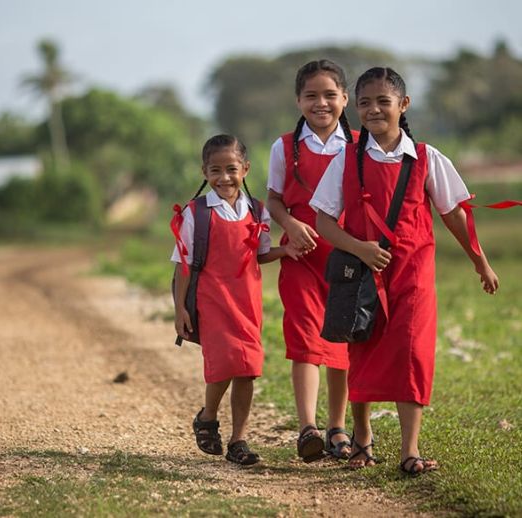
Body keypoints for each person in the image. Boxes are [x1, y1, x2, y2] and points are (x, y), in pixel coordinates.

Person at [310, 67, 499, 475]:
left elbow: (453, 215)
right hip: (362, 277)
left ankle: (409, 451)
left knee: (413, 355)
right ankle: (362, 440)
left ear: (403, 105)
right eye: (364, 102)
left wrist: (478, 260)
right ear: (355, 108)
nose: (374, 109)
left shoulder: (428, 158)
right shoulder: (345, 158)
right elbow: (323, 221)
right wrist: (359, 247)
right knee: (362, 350)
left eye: (383, 101)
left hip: (413, 275)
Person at [171, 134, 289, 465]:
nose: (224, 177)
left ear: (246, 169)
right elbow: (183, 266)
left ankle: (239, 439)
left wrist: (285, 251)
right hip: (212, 301)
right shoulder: (197, 213)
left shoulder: (257, 211)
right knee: (223, 365)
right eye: (215, 170)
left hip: (247, 301)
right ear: (204, 172)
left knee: (248, 369)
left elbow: (261, 254)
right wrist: (180, 308)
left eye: (231, 169)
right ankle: (208, 415)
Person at [266, 59, 359, 462]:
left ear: (344, 98)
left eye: (329, 95)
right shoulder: (284, 146)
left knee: (342, 342)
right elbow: (273, 199)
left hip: (346, 259)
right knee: (305, 340)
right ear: (297, 100)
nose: (320, 103)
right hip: (301, 258)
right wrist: (289, 222)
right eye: (310, 96)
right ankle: (308, 427)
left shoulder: (360, 145)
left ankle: (337, 428)